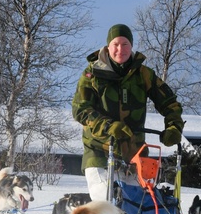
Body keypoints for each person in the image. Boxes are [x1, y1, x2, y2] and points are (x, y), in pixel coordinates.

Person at [72, 23, 184, 202]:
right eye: (115, 44)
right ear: (108, 46)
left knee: (139, 207)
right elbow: (81, 109)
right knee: (110, 200)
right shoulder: (92, 74)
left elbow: (170, 103)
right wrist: (108, 126)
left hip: (135, 155)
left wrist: (174, 127)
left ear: (131, 46)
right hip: (99, 152)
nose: (120, 49)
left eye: (125, 44)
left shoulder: (143, 74)